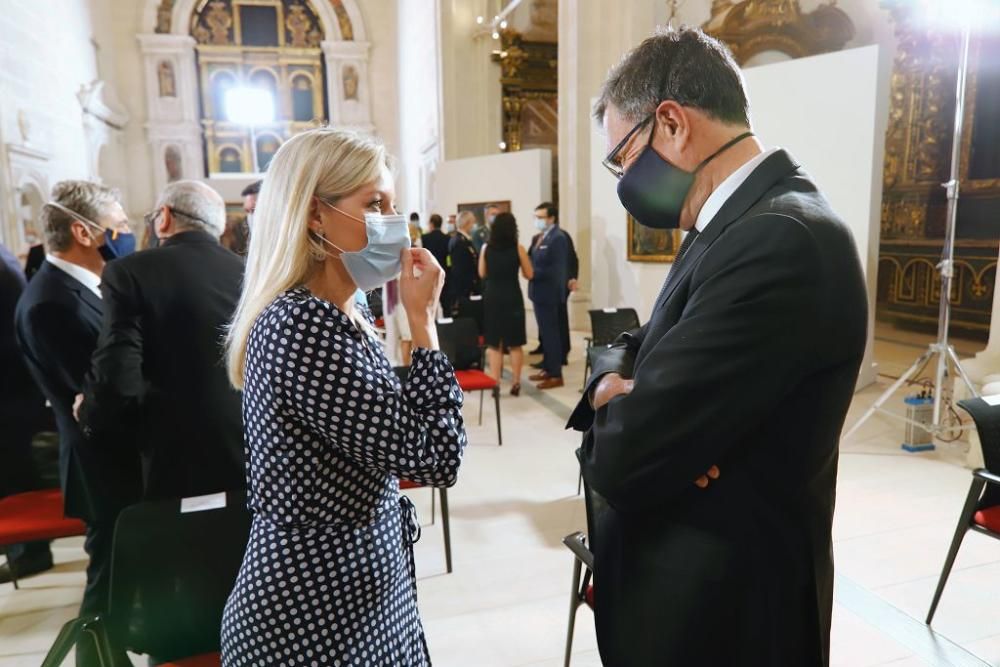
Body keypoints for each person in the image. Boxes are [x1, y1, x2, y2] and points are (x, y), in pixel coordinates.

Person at [566, 28, 868, 666]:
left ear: (671, 122)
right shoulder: (728, 224)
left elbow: (628, 455)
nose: (625, 180)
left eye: (623, 157)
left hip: (727, 615)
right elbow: (632, 347)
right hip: (692, 590)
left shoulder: (781, 238)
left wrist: (633, 416)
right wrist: (619, 391)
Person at [221, 128, 468, 665]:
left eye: (394, 205)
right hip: (314, 609)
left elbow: (385, 424)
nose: (393, 224)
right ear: (315, 215)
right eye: (373, 204)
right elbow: (435, 457)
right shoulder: (302, 326)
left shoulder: (338, 314)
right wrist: (423, 326)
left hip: (355, 587)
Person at [14, 181, 142, 661]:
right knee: (107, 584)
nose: (125, 233)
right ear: (84, 232)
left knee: (123, 576)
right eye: (120, 225)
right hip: (101, 464)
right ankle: (94, 658)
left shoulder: (86, 286)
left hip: (117, 460)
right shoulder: (52, 301)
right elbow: (94, 391)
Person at [77, 180, 246, 502]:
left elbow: (118, 369)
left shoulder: (130, 271)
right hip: (250, 439)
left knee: (183, 546)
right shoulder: (246, 270)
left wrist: (90, 414)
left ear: (164, 216)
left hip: (176, 449)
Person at [0, 240, 53, 583]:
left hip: (10, 388)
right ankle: (28, 551)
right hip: (13, 387)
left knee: (14, 474)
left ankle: (30, 552)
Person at [478, 212, 532, 396]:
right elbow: (529, 274)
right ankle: (516, 382)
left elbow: (481, 273)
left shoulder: (486, 248)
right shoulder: (518, 248)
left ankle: (495, 382)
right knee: (515, 343)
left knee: (494, 344)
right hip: (512, 297)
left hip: (492, 297)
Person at [528, 203, 578, 365]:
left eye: (540, 217)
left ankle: (556, 362)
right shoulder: (538, 237)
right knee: (547, 329)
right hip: (539, 290)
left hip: (553, 289)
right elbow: (530, 259)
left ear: (551, 218)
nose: (537, 221)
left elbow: (566, 262)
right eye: (535, 217)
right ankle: (548, 360)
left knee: (556, 327)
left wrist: (572, 278)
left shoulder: (559, 237)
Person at [445, 210, 481, 315]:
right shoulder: (459, 241)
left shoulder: (464, 240)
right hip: (464, 289)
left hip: (468, 288)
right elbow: (460, 270)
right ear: (467, 223)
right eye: (473, 222)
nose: (474, 225)